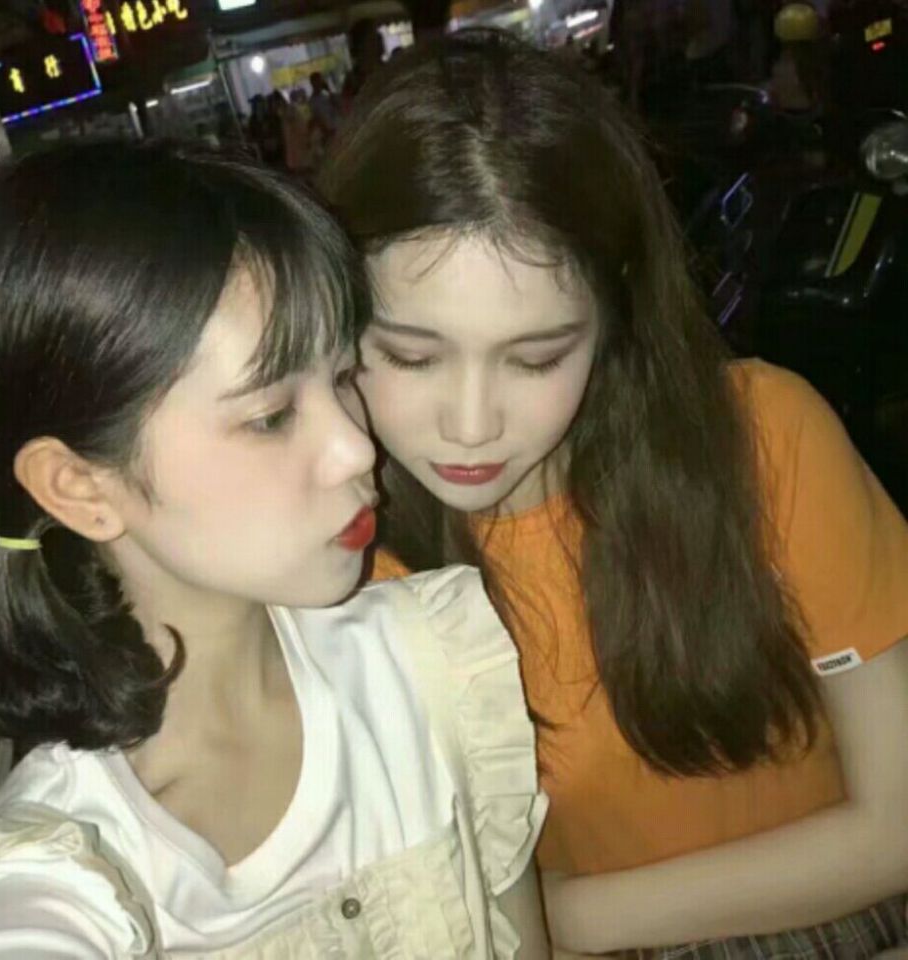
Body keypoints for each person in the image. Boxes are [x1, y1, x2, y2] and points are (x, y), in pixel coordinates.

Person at [320, 30, 908, 958]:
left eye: (536, 357)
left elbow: (897, 824)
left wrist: (559, 917)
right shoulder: (334, 564)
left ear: (615, 316)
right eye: (411, 355)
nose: (470, 426)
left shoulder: (762, 440)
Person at [0, 141, 549, 958]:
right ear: (80, 487)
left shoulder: (430, 663)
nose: (357, 449)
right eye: (270, 417)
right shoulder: (62, 870)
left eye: (343, 378)